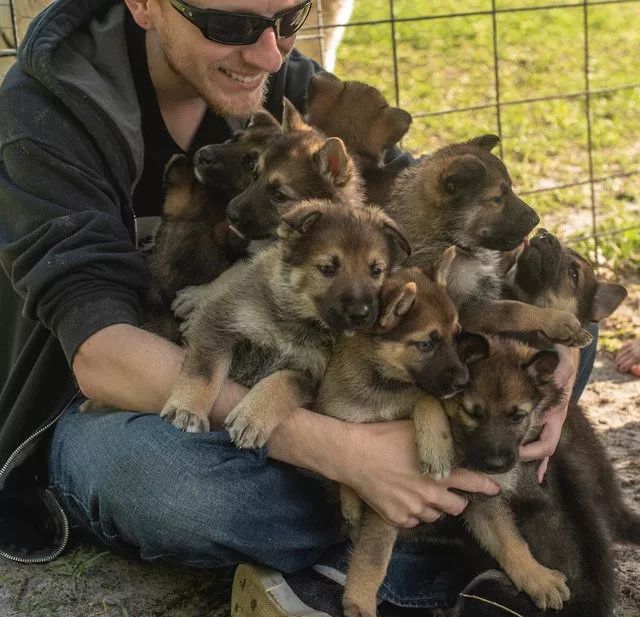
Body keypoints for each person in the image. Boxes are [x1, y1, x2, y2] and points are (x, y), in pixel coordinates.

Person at [0, 1, 597, 615]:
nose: (269, 51)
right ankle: (427, 560)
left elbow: (417, 205)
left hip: (313, 373)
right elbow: (100, 357)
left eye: (291, 16)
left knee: (552, 338)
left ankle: (370, 540)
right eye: (229, 26)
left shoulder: (277, 81)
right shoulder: (50, 115)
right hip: (116, 403)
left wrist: (563, 345)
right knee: (166, 487)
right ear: (147, 5)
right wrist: (341, 450)